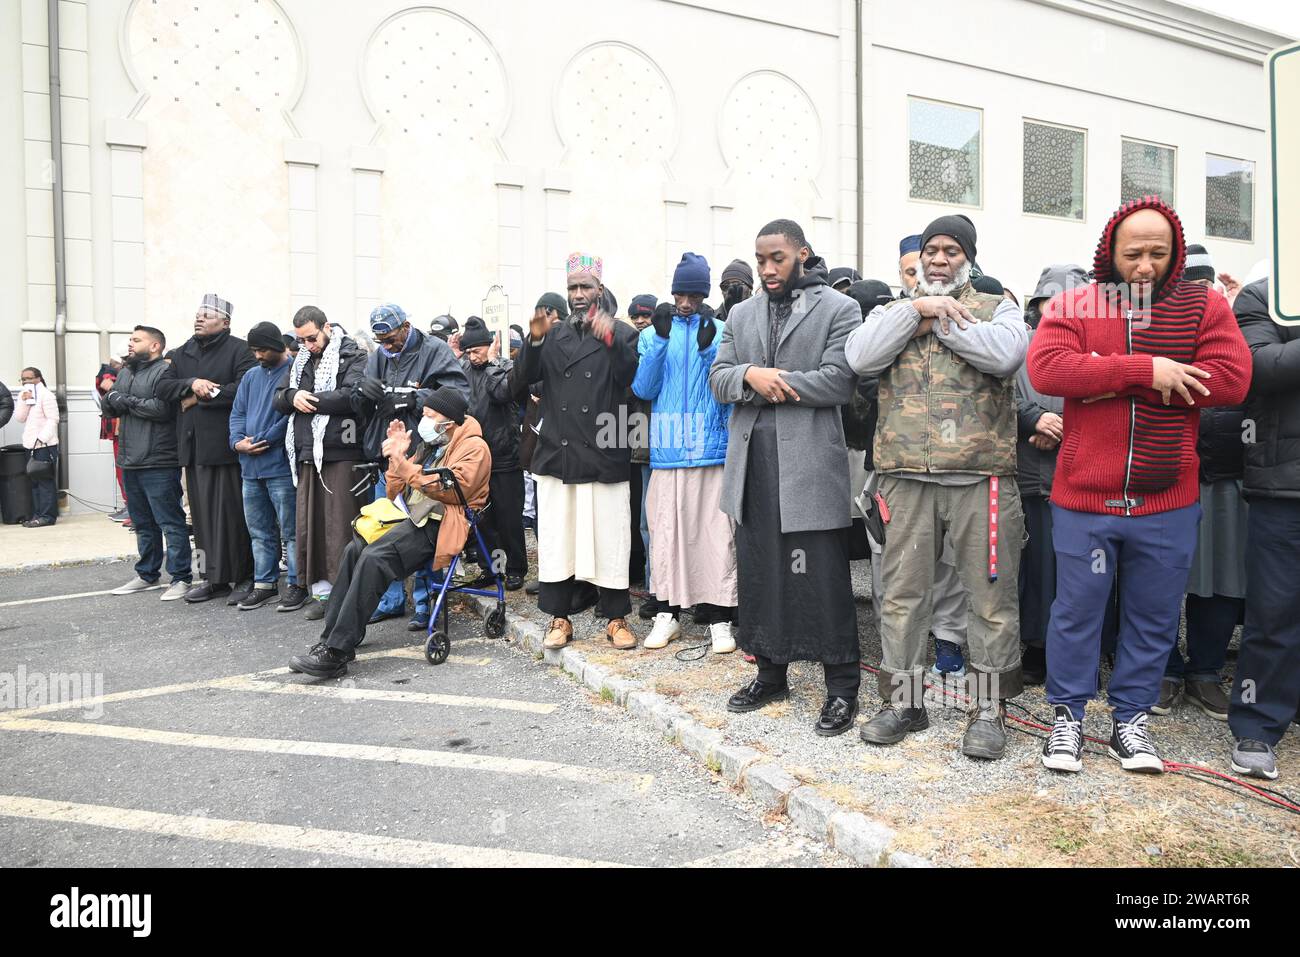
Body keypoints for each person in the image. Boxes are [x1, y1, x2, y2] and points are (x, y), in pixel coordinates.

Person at [1028, 196, 1251, 775]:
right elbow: (1048, 370)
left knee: (1153, 615)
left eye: (1158, 253)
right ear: (1110, 252)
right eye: (1134, 254)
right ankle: (1067, 719)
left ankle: (1131, 719)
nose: (1146, 266)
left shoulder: (1201, 306)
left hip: (1166, 497)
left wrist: (1100, 377)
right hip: (1086, 495)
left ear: (1175, 252)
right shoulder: (1077, 302)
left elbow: (1230, 379)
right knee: (1076, 611)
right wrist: (1146, 371)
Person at [846, 214, 1028, 759]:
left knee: (992, 600)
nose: (939, 259)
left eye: (951, 250)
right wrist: (915, 312)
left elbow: (1005, 355)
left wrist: (943, 320)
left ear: (968, 258)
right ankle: (904, 702)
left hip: (982, 478)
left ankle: (988, 709)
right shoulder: (892, 312)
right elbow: (859, 356)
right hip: (904, 479)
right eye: (931, 250)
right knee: (902, 598)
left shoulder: (999, 307)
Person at [710, 219, 862, 736]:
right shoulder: (741, 312)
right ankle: (770, 673)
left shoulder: (841, 308)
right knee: (760, 573)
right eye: (761, 260)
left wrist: (774, 381)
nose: (768, 268)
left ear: (802, 254)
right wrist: (749, 375)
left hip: (810, 468)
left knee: (821, 579)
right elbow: (718, 377)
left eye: (778, 258)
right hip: (752, 466)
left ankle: (842, 687)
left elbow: (839, 382)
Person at [287, 387, 491, 678]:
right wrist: (397, 457)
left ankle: (337, 652)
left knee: (374, 557)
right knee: (354, 549)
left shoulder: (474, 447)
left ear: (450, 420)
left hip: (443, 523)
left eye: (430, 415)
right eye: (424, 414)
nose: (424, 420)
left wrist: (405, 464)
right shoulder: (433, 443)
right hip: (413, 518)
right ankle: (332, 640)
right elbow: (397, 489)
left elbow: (452, 491)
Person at [522, 252, 641, 651]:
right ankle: (559, 618)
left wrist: (605, 330)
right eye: (572, 287)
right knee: (559, 540)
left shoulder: (621, 333)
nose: (577, 294)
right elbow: (521, 380)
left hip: (605, 451)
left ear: (600, 290)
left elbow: (630, 376)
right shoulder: (553, 336)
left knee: (611, 539)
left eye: (585, 287)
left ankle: (617, 618)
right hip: (559, 453)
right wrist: (533, 339)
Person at [634, 253, 737, 655]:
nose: (685, 302)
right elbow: (644, 389)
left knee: (715, 538)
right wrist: (659, 342)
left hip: (712, 451)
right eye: (680, 292)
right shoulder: (653, 333)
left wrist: (711, 351)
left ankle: (720, 620)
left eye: (693, 294)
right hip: (667, 450)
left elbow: (727, 392)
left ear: (704, 294)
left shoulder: (724, 330)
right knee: (667, 538)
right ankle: (667, 614)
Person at [1227, 276, 1300, 779]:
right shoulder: (1265, 297)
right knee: (1273, 616)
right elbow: (1258, 367)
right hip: (1282, 488)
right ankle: (1257, 723)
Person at [356, 303, 469, 627]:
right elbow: (361, 399)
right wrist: (363, 392)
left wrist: (414, 400)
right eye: (382, 343)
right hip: (390, 453)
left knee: (419, 527)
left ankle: (424, 602)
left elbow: (459, 394)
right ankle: (390, 600)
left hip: (424, 454)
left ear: (406, 327)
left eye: (391, 339)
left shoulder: (434, 350)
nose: (387, 347)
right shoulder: (379, 356)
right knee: (385, 527)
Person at [273, 306, 369, 620]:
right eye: (301, 341)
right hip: (306, 451)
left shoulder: (352, 354)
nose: (308, 346)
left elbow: (352, 396)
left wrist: (307, 400)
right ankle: (324, 593)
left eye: (312, 338)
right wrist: (292, 397)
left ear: (326, 327)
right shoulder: (300, 360)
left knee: (340, 527)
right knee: (311, 526)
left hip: (342, 451)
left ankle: (347, 594)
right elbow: (279, 397)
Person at [1016, 265, 1087, 685]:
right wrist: (1032, 420)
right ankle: (1037, 648)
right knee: (1037, 571)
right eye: (1050, 300)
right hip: (1030, 478)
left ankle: (1081, 654)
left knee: (1080, 572)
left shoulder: (1098, 347)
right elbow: (997, 399)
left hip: (1083, 480)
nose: (1058, 308)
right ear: (1038, 304)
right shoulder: (1019, 348)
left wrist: (1058, 425)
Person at [164, 294, 255, 604]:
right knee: (201, 522)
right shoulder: (183, 352)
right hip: (194, 448)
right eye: (198, 313)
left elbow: (244, 389)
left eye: (207, 314)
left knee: (233, 517)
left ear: (225, 322)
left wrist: (206, 392)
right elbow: (163, 387)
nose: (199, 318)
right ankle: (210, 578)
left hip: (225, 447)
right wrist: (192, 383)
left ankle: (243, 576)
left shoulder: (240, 350)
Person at [103, 326, 192, 600]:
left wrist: (124, 400)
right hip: (130, 459)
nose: (130, 344)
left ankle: (181, 578)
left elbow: (161, 409)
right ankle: (146, 573)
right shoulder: (127, 371)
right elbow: (109, 404)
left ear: (155, 346)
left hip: (159, 460)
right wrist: (119, 400)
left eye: (136, 340)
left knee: (170, 521)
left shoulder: (165, 372)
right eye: (131, 339)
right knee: (142, 523)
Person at [229, 322, 301, 611]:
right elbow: (238, 413)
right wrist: (237, 442)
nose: (258, 355)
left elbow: (292, 416)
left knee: (290, 531)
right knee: (258, 530)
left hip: (280, 465)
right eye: (254, 350)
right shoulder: (250, 376)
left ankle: (297, 584)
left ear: (278, 346)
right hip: (250, 467)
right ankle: (265, 584)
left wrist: (263, 440)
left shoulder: (296, 371)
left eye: (263, 349)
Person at [458, 315, 527, 592]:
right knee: (485, 520)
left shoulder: (503, 367)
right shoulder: (463, 370)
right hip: (476, 459)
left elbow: (502, 393)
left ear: (490, 346)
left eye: (477, 350)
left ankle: (515, 568)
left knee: (509, 518)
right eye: (469, 352)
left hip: (504, 456)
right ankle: (492, 568)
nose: (473, 356)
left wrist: (491, 364)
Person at [519, 293, 567, 597]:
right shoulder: (536, 343)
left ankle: (572, 579)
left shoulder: (573, 342)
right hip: (542, 440)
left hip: (571, 440)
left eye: (553, 316)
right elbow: (525, 381)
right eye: (542, 316)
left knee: (567, 517)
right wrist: (534, 341)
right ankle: (549, 573)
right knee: (542, 514)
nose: (548, 322)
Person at [626, 295, 658, 618]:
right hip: (639, 443)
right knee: (643, 521)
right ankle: (652, 587)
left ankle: (661, 590)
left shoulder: (659, 343)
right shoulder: (630, 347)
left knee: (657, 522)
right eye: (635, 316)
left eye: (645, 315)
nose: (639, 321)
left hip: (663, 443)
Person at [15, 368, 61, 527]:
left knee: (45, 482)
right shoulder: (25, 395)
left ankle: (47, 516)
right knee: (34, 481)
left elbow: (53, 419)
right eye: (23, 379)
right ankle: (38, 514)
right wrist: (23, 401)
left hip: (44, 445)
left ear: (38, 378)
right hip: (30, 444)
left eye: (29, 378)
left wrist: (41, 439)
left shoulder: (46, 395)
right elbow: (20, 418)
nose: (26, 382)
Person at [95, 358, 129, 522]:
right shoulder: (114, 373)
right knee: (121, 471)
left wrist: (112, 387)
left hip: (126, 428)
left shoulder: (127, 374)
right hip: (118, 429)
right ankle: (130, 506)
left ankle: (133, 508)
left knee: (126, 471)